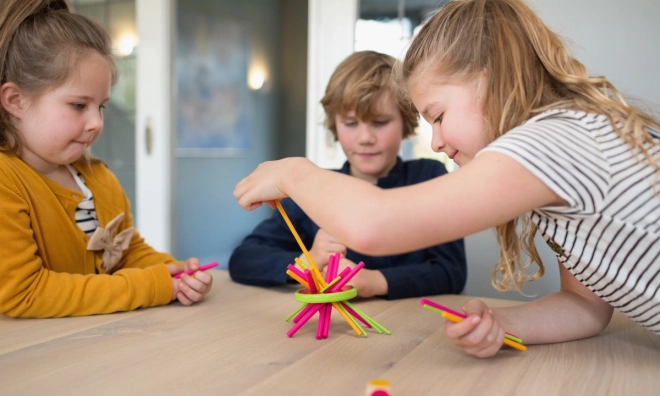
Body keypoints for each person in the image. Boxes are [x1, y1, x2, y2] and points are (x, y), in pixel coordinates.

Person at [234, 0, 660, 357]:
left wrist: (292, 171)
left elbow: (374, 225)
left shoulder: (557, 141)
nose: (435, 142)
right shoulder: (564, 153)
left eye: (438, 116)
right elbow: (586, 306)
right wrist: (500, 321)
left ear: (493, 80)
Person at [0, 0, 213, 318]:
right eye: (78, 105)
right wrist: (151, 286)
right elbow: (24, 292)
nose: (96, 122)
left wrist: (173, 272)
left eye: (101, 106)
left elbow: (128, 253)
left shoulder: (98, 178)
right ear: (15, 100)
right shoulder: (7, 180)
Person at [229, 50, 466, 299]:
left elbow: (451, 272)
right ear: (335, 125)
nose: (365, 139)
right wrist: (308, 261)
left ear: (405, 122)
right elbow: (243, 259)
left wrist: (374, 281)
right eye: (351, 124)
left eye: (380, 122)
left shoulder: (429, 176)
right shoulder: (310, 191)